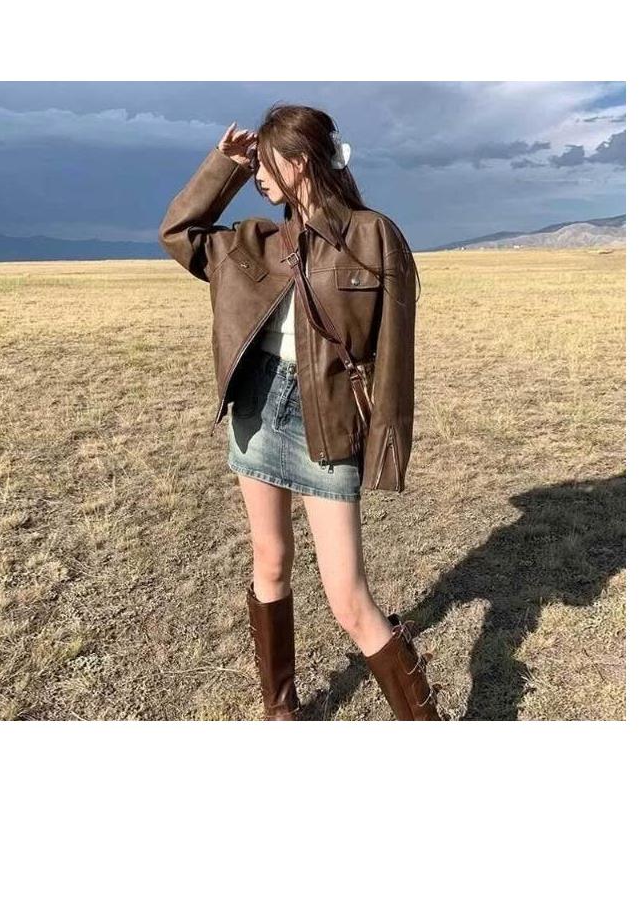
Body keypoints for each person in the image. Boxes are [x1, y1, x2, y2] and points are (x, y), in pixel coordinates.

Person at [159, 103, 446, 720]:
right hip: (258, 410)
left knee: (348, 598)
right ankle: (281, 709)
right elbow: (179, 233)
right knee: (270, 560)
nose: (259, 175)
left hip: (330, 421)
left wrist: (385, 448)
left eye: (265, 163)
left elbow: (395, 357)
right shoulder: (255, 243)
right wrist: (226, 167)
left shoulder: (372, 237)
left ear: (300, 161)